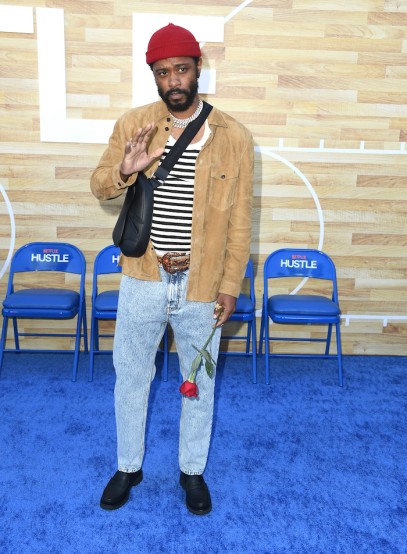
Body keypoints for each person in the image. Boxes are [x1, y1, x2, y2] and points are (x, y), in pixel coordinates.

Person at [90, 23, 254, 515]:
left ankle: (192, 472)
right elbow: (99, 185)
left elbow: (241, 221)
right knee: (131, 376)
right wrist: (125, 168)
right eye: (163, 73)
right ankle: (127, 466)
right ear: (155, 78)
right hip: (143, 276)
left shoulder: (234, 136)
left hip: (202, 283)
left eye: (181, 69)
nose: (173, 81)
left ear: (198, 69)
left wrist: (230, 286)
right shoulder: (134, 123)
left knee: (198, 381)